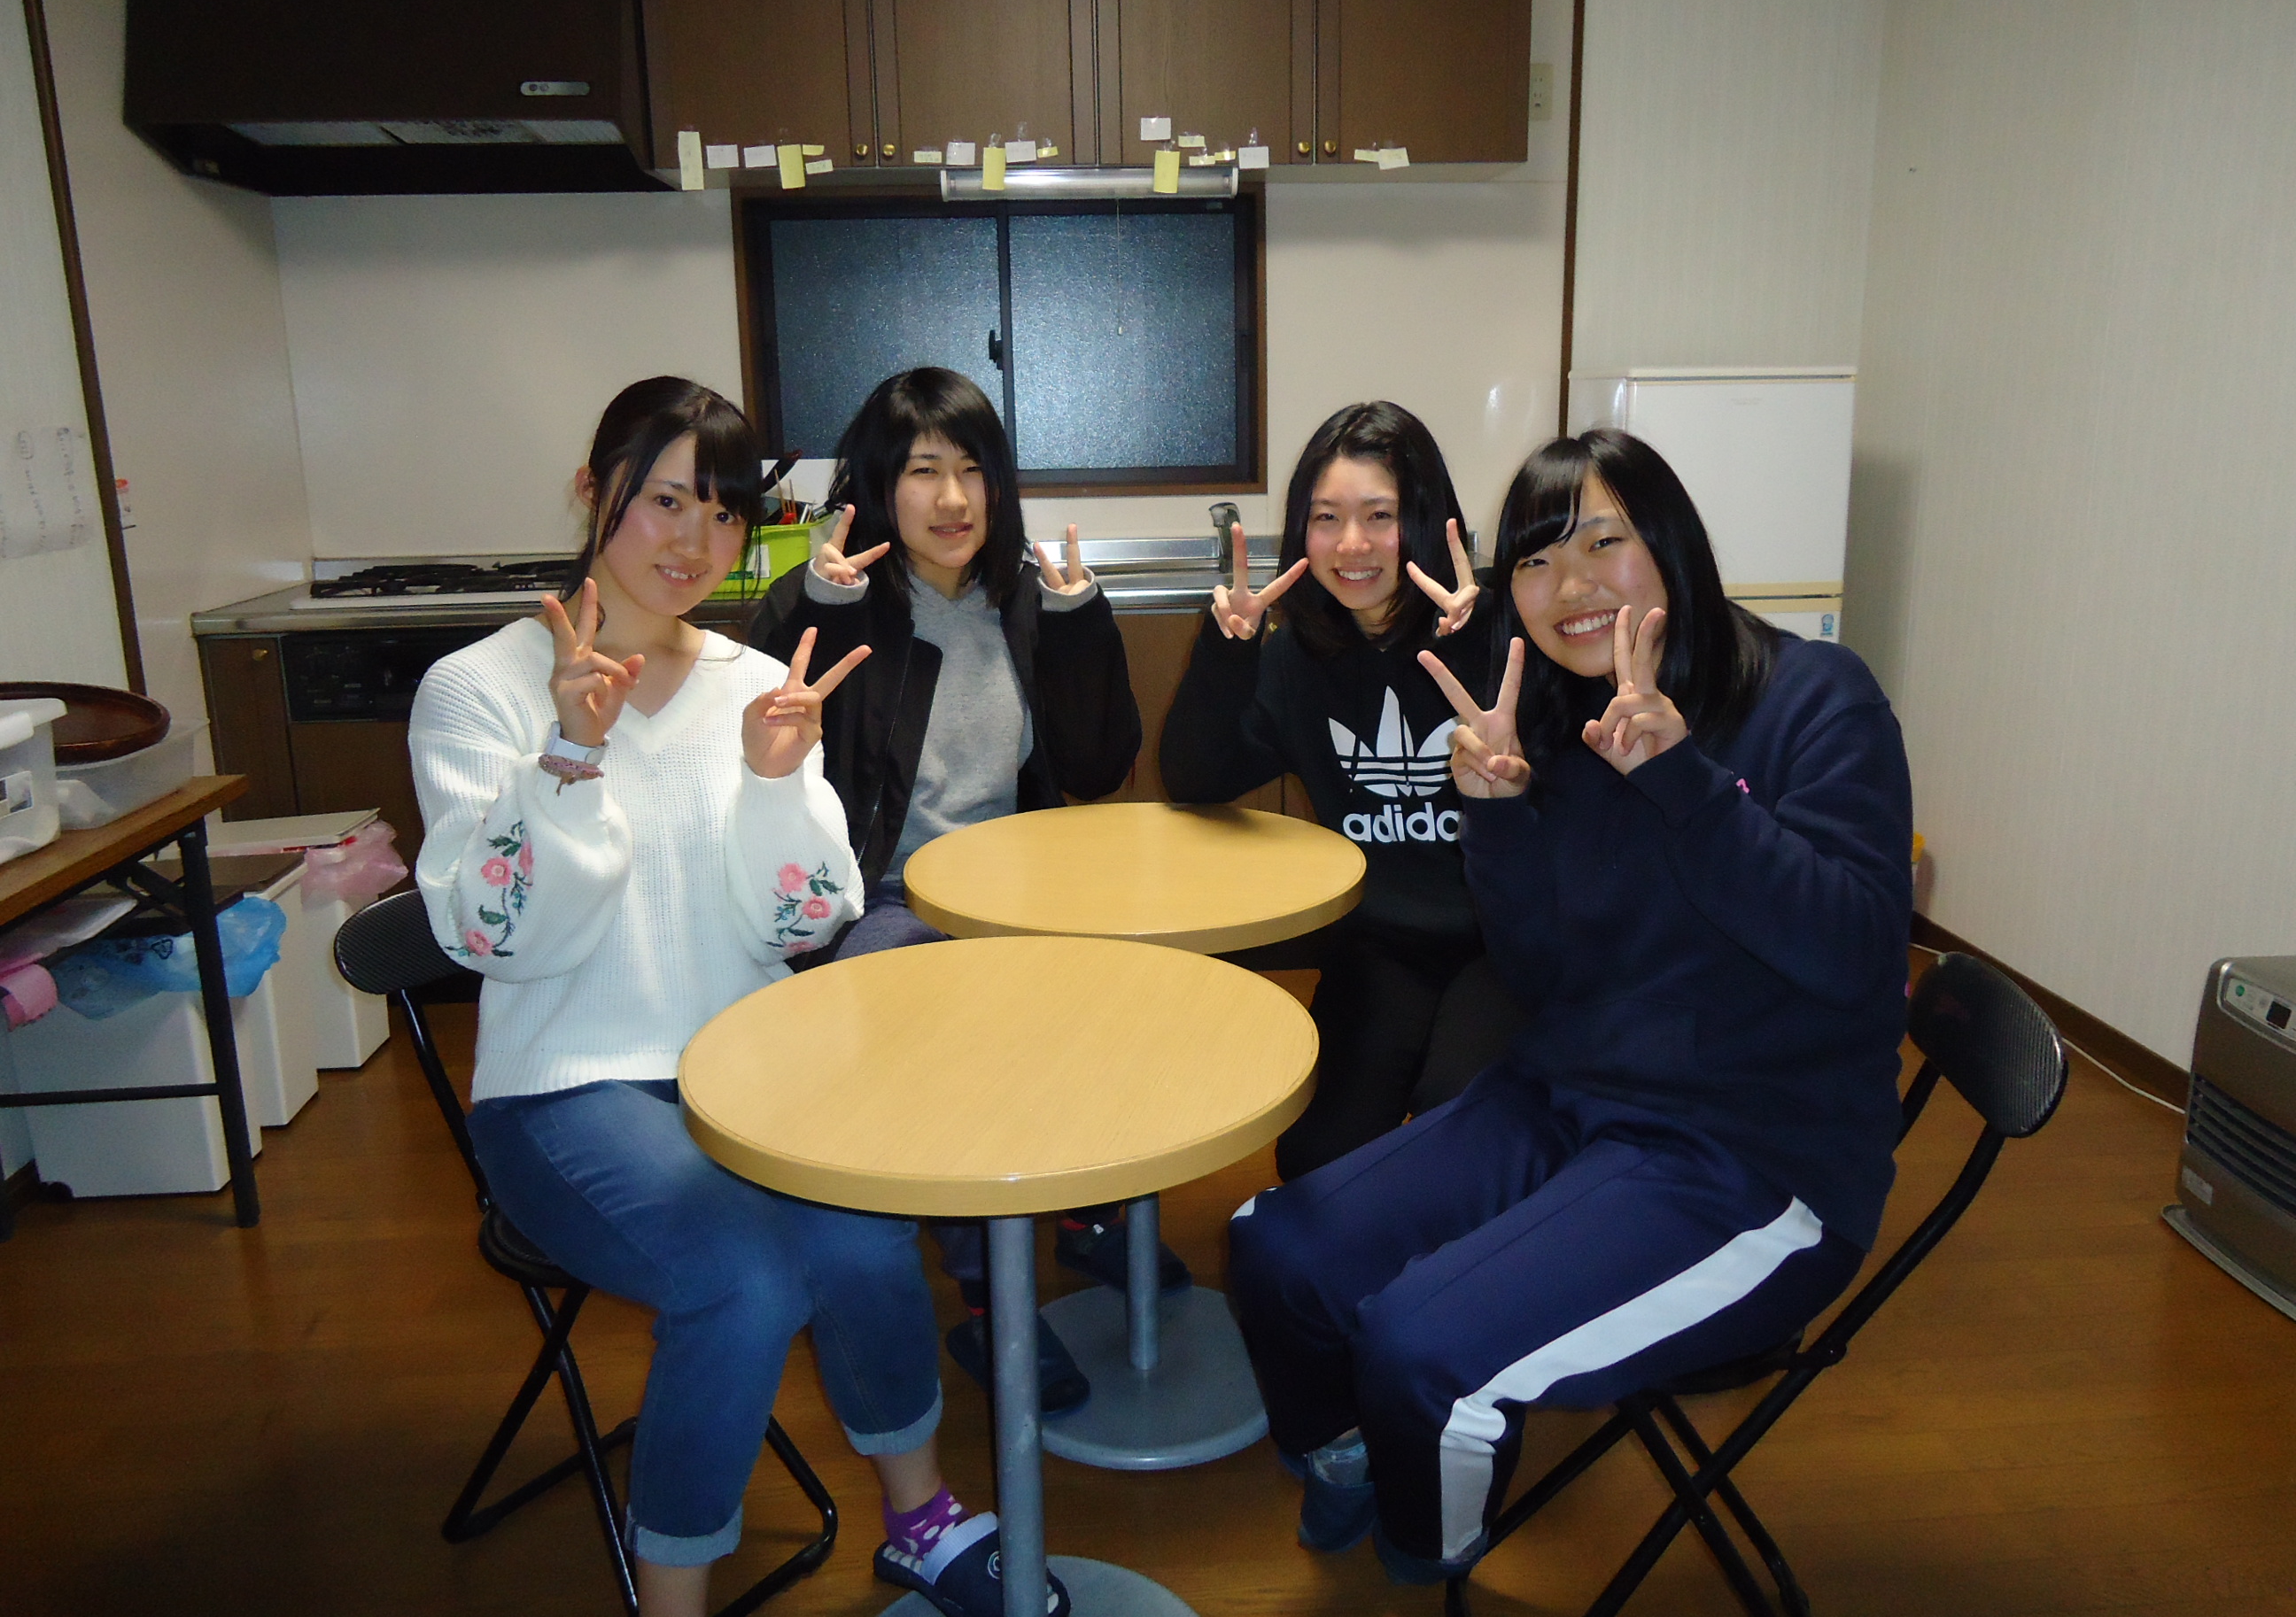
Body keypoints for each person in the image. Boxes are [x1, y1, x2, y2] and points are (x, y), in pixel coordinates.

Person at [410, 376, 1064, 1617]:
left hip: (751, 1070)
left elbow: (803, 922)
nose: (693, 541)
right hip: (568, 1088)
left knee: (866, 1232)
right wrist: (569, 755)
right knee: (745, 1277)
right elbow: (495, 937)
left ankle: (920, 1516)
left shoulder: (756, 679)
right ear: (594, 491)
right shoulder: (479, 689)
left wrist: (773, 783)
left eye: (722, 513)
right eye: (665, 501)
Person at [1227, 428, 1914, 1584]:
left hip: (1753, 1158)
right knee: (1276, 1248)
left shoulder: (1815, 700)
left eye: (1604, 542)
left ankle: (1424, 1557)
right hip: (1569, 1094)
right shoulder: (1561, 719)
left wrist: (1688, 783)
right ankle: (1350, 1451)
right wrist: (1496, 814)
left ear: (1673, 544)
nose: (1571, 586)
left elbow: (1852, 956)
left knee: (1421, 1354)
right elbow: (1543, 976)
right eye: (1538, 562)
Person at [749, 367, 1150, 1416]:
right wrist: (824, 612)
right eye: (924, 471)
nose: (954, 498)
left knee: (1136, 993)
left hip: (1025, 896)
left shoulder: (1026, 597)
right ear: (879, 486)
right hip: (887, 901)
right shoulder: (825, 600)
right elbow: (776, 769)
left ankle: (1088, 1214)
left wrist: (1082, 624)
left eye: (973, 469)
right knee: (954, 1035)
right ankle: (991, 1298)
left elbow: (1098, 767)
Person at [1159, 399, 1520, 1180]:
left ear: (1425, 521)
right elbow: (1195, 778)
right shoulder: (1300, 658)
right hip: (1378, 947)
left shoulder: (1502, 633)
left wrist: (1489, 634)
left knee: (1460, 1123)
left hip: (1505, 941)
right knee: (1316, 1158)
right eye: (1327, 518)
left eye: (1379, 516)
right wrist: (1228, 651)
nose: (1352, 544)